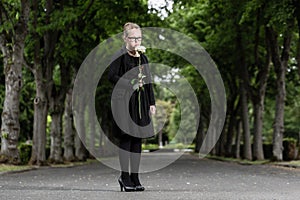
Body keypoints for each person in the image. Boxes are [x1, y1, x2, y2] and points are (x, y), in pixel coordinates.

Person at [108, 22, 156, 192]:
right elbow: (111, 76)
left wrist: (152, 103)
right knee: (126, 138)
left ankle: (135, 177)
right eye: (133, 38)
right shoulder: (119, 56)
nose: (136, 41)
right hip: (123, 103)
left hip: (140, 103)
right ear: (125, 38)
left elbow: (148, 81)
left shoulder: (143, 57)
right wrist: (130, 83)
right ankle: (124, 176)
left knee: (137, 139)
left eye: (139, 38)